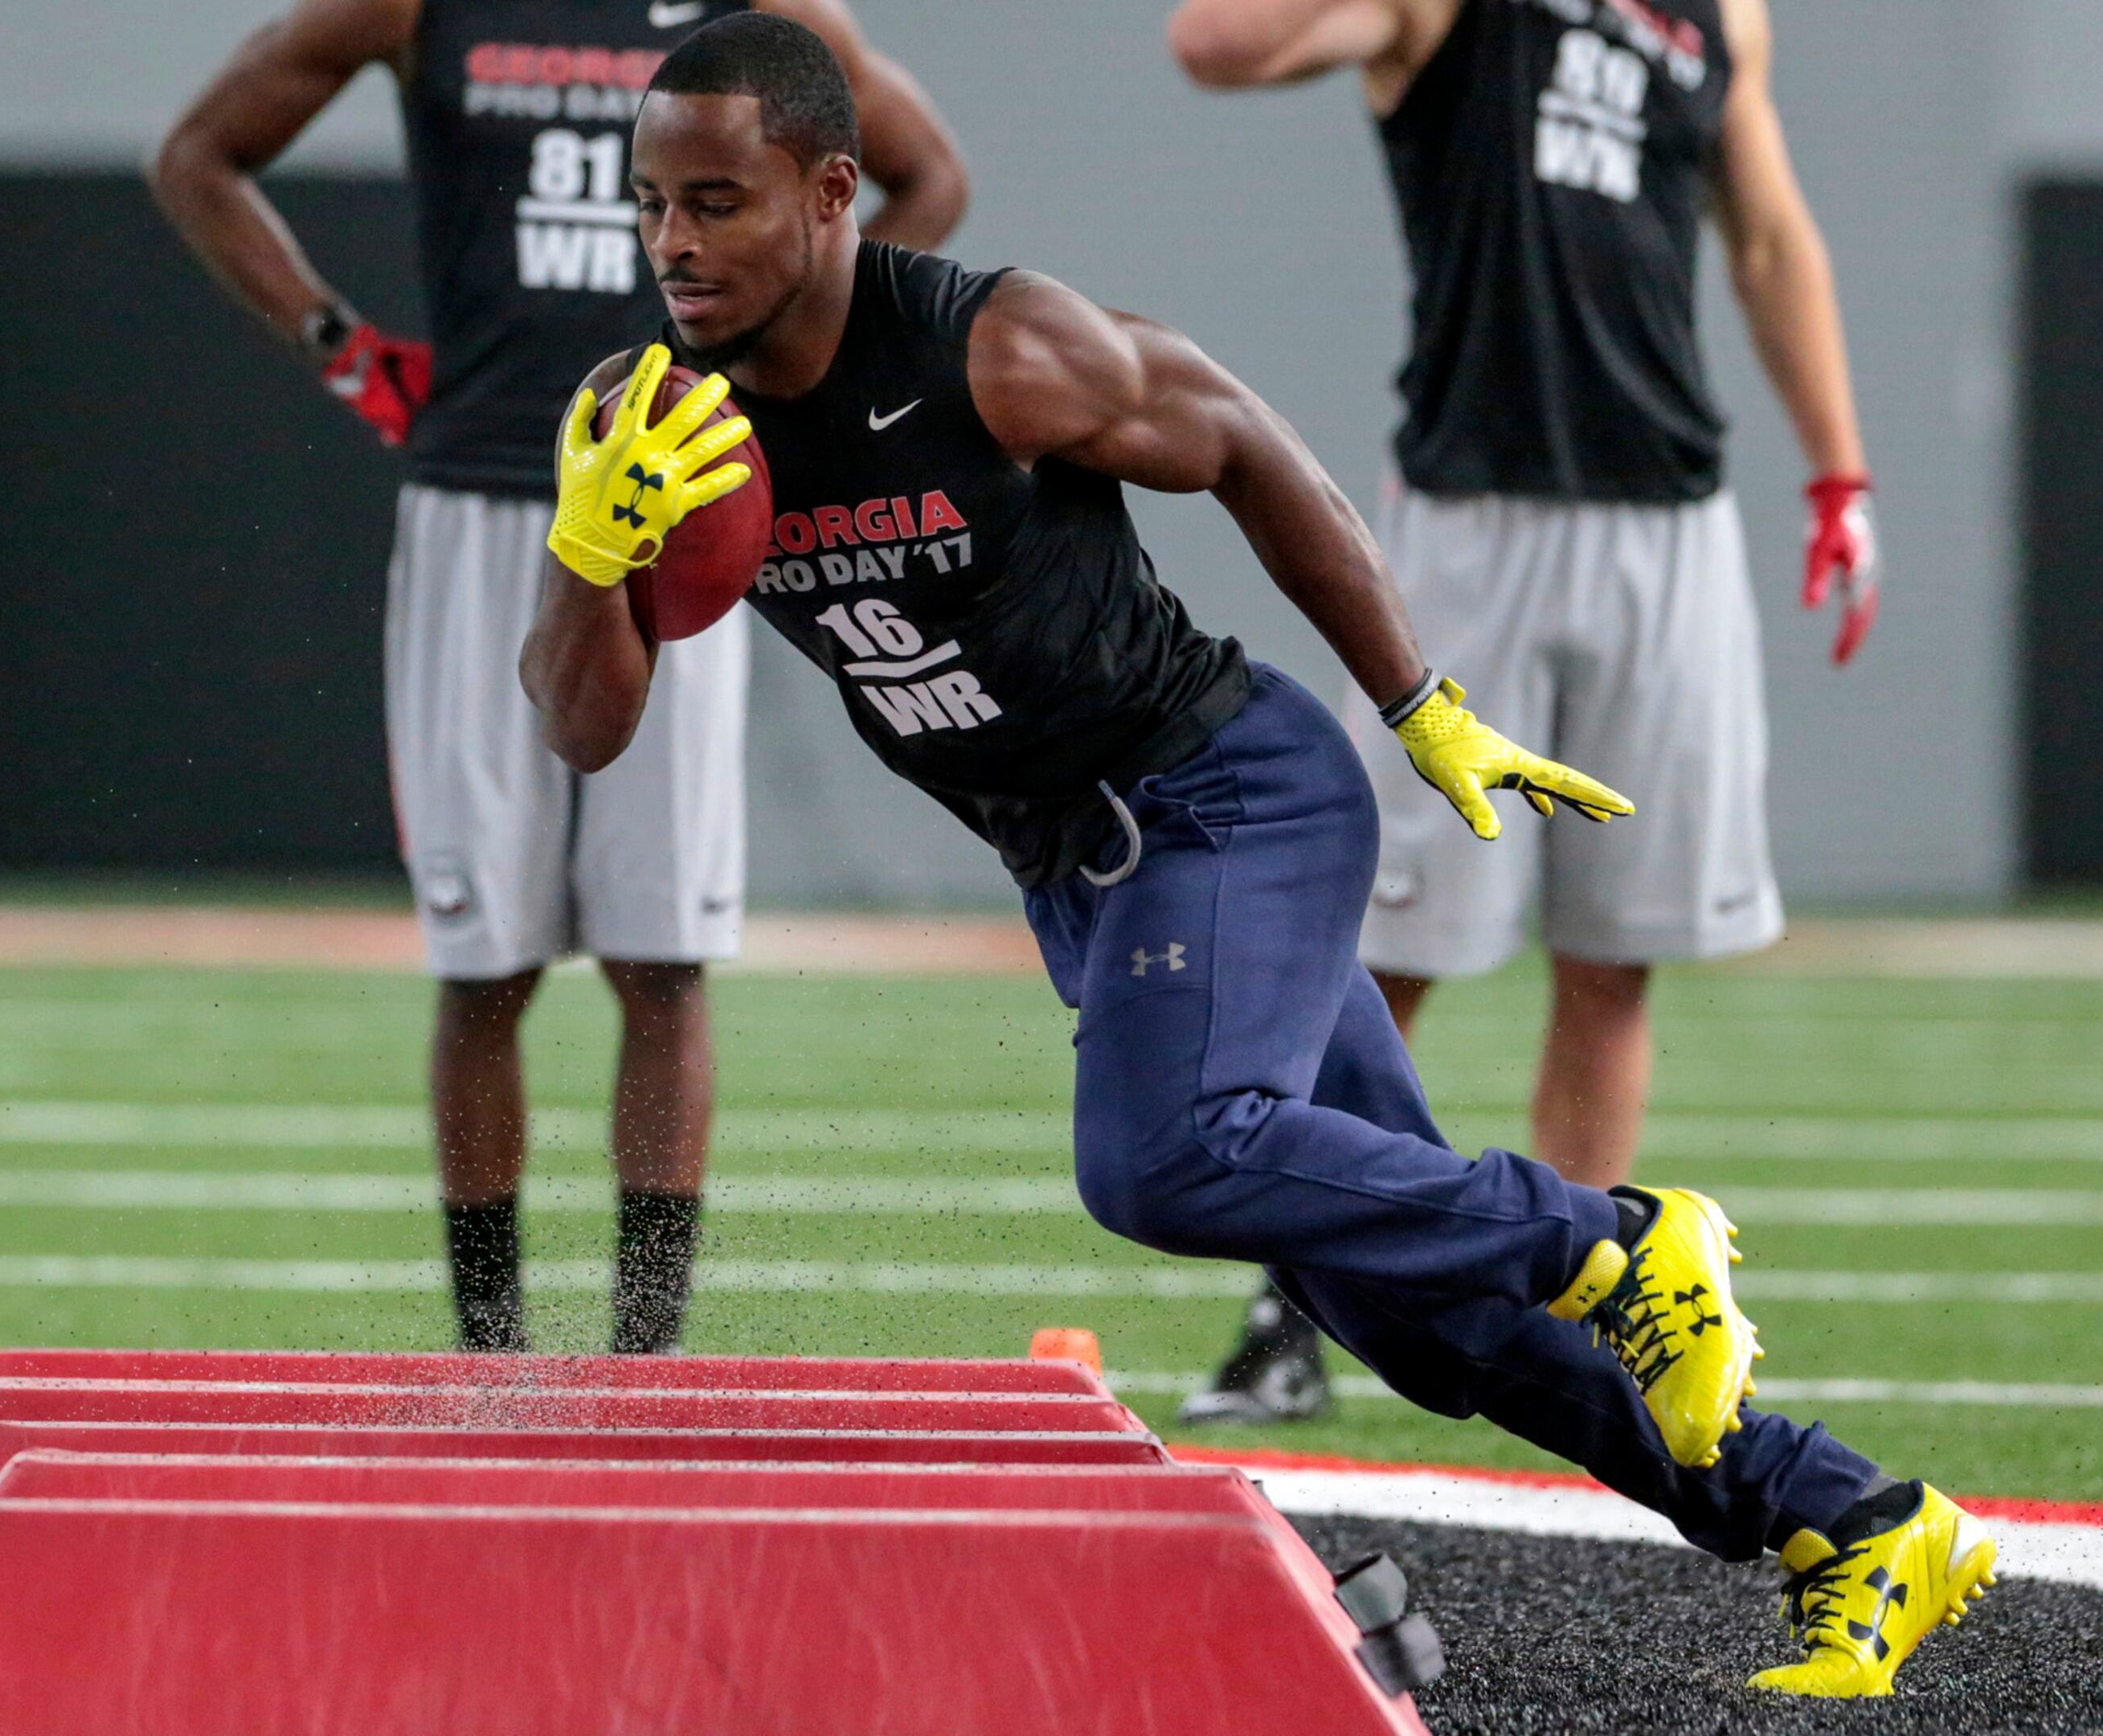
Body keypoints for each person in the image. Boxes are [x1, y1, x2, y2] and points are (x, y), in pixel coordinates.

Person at [522, 13, 1985, 1696]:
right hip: (1088, 865)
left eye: (717, 201)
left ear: (832, 191)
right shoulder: (653, 414)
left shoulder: (996, 349)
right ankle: (1850, 1520)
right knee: (1425, 1324)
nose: (673, 245)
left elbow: (1248, 445)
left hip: (1230, 798)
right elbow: (584, 726)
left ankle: (1615, 1236)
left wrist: (1421, 707)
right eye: (651, 206)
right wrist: (583, 554)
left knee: (1162, 1159)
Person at [150, 0, 964, 1353]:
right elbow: (197, 157)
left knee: (665, 961)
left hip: (674, 498)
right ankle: (494, 1357)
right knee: (486, 966)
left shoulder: (768, 14)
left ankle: (644, 1363)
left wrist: (784, 367)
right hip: (483, 495)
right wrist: (337, 347)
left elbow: (927, 174)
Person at [1163, 0, 1876, 1427]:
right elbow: (1216, 44)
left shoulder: (1719, 13)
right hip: (1474, 522)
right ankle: (1293, 1306)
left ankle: (1581, 1293)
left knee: (1614, 957)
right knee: (1382, 956)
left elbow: (1769, 236)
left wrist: (1838, 474)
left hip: (1666, 522)